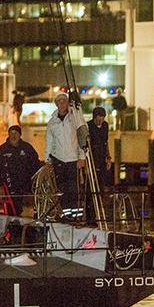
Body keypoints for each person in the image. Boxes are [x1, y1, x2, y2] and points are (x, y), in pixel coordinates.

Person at [45, 92, 86, 220]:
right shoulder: (52, 122)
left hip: (73, 159)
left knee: (73, 189)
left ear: (67, 103)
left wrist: (82, 157)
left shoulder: (75, 118)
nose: (62, 104)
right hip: (59, 160)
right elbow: (49, 141)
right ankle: (65, 215)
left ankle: (76, 216)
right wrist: (47, 159)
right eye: (59, 102)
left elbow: (81, 136)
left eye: (64, 101)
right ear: (56, 104)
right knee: (61, 189)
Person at [0, 124, 40, 215]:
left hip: (25, 189)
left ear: (20, 135)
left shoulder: (27, 148)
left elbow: (35, 165)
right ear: (8, 135)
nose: (13, 136)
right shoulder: (1, 150)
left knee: (26, 214)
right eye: (11, 133)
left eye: (16, 133)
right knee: (11, 213)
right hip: (9, 188)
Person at [87, 106, 111, 190]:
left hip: (102, 157)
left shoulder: (105, 125)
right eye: (98, 120)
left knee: (102, 181)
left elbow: (106, 142)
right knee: (91, 182)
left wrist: (108, 158)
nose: (100, 122)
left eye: (102, 119)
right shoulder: (88, 126)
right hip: (92, 157)